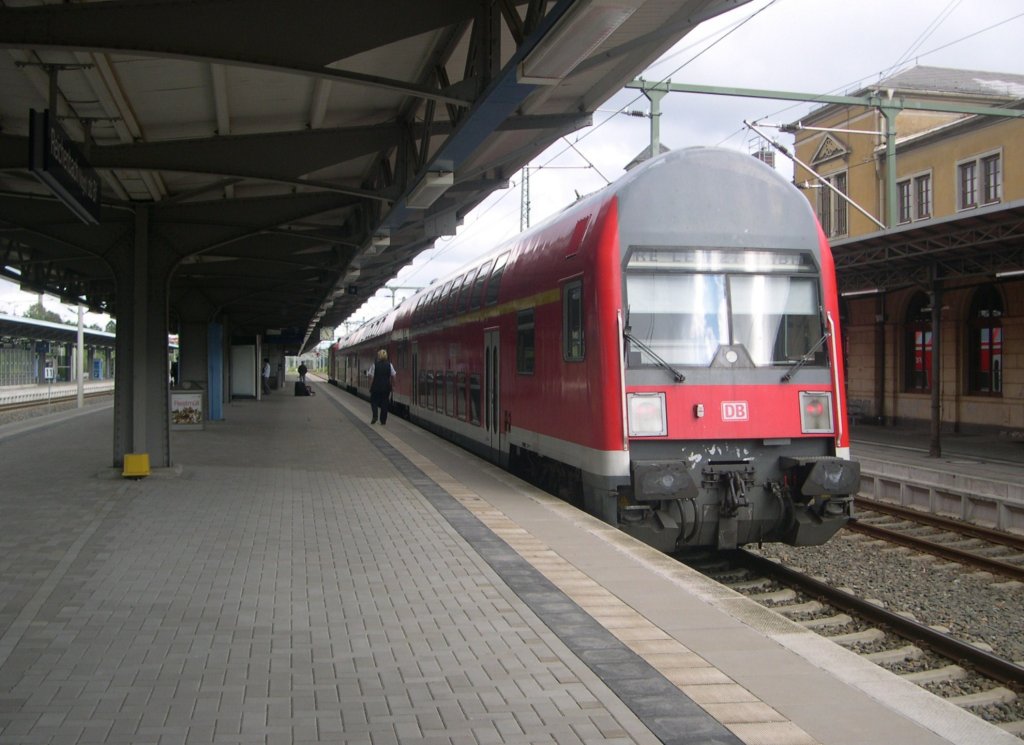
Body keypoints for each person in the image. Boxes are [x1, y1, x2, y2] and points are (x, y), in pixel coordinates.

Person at [368, 348, 396, 425]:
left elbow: (371, 376)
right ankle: (383, 421)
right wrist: (393, 385)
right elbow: (394, 375)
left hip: (376, 387)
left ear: (379, 356)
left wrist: (370, 386)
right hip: (386, 387)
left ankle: (375, 416)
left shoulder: (374, 365)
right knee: (385, 403)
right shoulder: (390, 365)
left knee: (374, 402)